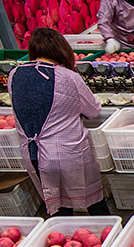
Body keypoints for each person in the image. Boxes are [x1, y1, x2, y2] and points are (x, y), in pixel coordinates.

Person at [8, 27, 109, 217]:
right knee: (93, 201)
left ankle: (64, 232)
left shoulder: (14, 74)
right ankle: (108, 231)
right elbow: (93, 111)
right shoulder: (69, 77)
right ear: (61, 49)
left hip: (33, 153)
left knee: (57, 205)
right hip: (68, 152)